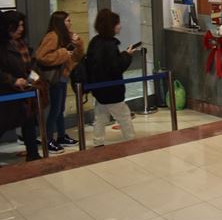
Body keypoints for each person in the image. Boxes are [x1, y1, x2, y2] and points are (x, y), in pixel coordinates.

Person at [86, 9, 138, 147]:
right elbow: (115, 67)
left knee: (100, 116)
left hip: (99, 88)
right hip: (112, 89)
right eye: (117, 23)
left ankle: (98, 141)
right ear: (111, 26)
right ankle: (131, 140)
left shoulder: (95, 42)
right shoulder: (110, 45)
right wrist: (126, 56)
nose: (120, 26)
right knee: (124, 115)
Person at [35, 11, 84, 153]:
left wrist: (77, 43)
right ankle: (48, 139)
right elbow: (41, 56)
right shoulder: (52, 36)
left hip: (62, 77)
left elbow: (77, 57)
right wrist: (63, 53)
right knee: (55, 110)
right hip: (54, 79)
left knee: (60, 109)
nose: (70, 23)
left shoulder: (66, 36)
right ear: (60, 22)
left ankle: (61, 136)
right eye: (68, 20)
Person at [0, 11, 41, 161]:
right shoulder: (3, 46)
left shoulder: (22, 44)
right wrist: (13, 80)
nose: (21, 29)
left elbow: (30, 63)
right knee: (3, 124)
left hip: (25, 91)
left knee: (28, 123)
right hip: (8, 93)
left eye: (22, 25)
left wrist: (32, 75)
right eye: (18, 26)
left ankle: (33, 155)